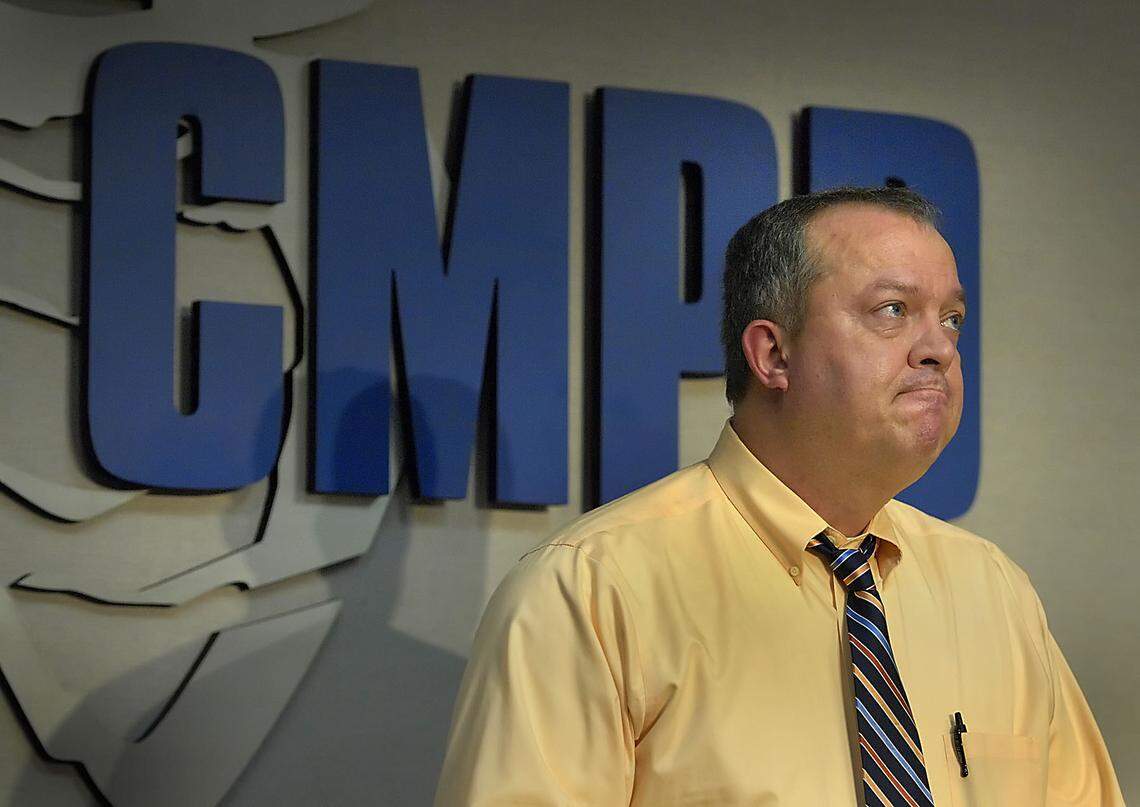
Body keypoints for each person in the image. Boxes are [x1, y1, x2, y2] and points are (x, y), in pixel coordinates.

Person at [433, 187, 1125, 806]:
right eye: (893, 310)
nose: (937, 348)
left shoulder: (995, 592)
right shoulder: (593, 590)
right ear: (773, 355)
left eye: (951, 319)